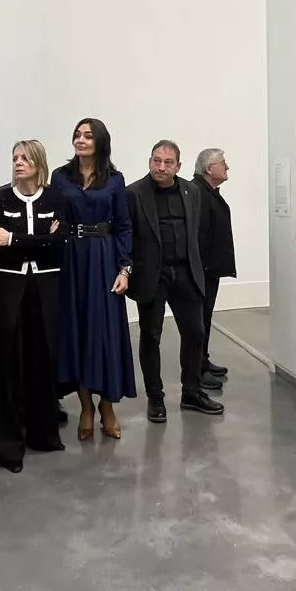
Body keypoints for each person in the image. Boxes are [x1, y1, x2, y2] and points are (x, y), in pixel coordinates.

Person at [0, 140, 66, 472]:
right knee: (6, 364)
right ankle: (7, 447)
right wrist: (39, 240)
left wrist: (16, 239)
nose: (18, 162)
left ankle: (43, 435)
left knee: (43, 358)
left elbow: (57, 246)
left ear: (38, 162)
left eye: (25, 158)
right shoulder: (1, 196)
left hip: (46, 286)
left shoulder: (55, 198)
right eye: (15, 157)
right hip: (8, 286)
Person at [127, 140, 224, 423]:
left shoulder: (191, 191)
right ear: (149, 162)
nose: (161, 166)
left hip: (185, 273)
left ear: (178, 167)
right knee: (151, 336)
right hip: (152, 276)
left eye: (168, 162)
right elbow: (126, 235)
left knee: (195, 332)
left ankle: (191, 392)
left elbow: (196, 232)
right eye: (156, 160)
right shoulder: (133, 193)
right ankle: (155, 398)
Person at [50, 118, 134, 441]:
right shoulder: (60, 177)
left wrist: (125, 269)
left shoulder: (114, 179)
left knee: (104, 333)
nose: (80, 140)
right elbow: (53, 215)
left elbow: (124, 226)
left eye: (87, 135)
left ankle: (107, 405)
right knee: (77, 332)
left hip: (103, 258)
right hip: (71, 259)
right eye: (77, 134)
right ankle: (85, 405)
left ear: (100, 142)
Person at [190, 148, 235, 385]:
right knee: (198, 321)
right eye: (223, 163)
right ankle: (196, 369)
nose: (227, 167)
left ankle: (203, 360)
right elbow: (197, 236)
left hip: (209, 270)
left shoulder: (208, 192)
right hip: (201, 271)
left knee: (205, 318)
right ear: (209, 169)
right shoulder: (197, 193)